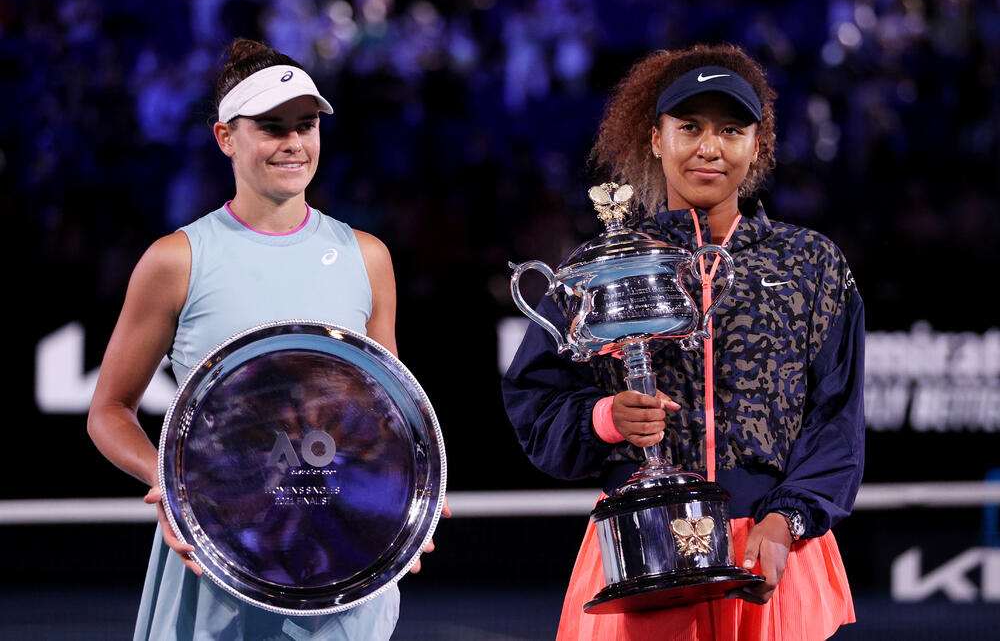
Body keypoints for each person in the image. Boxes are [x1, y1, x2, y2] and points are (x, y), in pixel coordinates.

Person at [502, 43, 863, 640]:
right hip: (641, 550)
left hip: (773, 551)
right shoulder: (606, 267)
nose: (708, 148)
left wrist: (786, 520)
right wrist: (605, 418)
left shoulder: (812, 264)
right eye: (689, 127)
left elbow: (837, 419)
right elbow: (535, 407)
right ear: (655, 139)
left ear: (758, 144)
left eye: (731, 129)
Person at [88, 38, 441, 640]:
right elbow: (109, 411)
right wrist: (172, 487)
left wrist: (409, 499)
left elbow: (384, 422)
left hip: (340, 562)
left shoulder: (366, 257)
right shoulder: (177, 260)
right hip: (219, 557)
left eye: (305, 125)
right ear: (226, 137)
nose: (294, 144)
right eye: (271, 127)